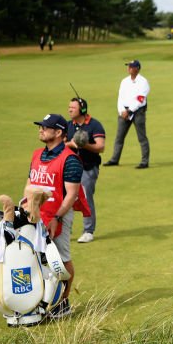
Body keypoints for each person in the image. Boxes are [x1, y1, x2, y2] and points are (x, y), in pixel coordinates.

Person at [26, 113, 90, 319]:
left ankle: (63, 303)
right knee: (36, 259)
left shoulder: (70, 160)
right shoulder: (37, 154)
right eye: (40, 127)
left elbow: (71, 195)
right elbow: (29, 185)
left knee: (61, 259)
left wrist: (57, 218)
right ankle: (41, 300)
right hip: (35, 215)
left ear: (59, 132)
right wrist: (25, 208)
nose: (41, 130)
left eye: (45, 127)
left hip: (59, 215)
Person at [67, 96, 105, 243]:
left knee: (85, 198)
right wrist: (72, 144)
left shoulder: (95, 125)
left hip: (88, 167)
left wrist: (85, 145)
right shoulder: (68, 125)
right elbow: (60, 145)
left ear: (82, 110)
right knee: (66, 198)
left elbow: (100, 147)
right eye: (69, 107)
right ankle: (65, 229)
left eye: (73, 107)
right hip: (70, 168)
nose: (70, 109)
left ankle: (88, 231)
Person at [104, 60, 150, 169]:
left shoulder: (143, 82)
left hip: (138, 112)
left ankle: (145, 161)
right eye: (128, 66)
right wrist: (121, 111)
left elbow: (140, 99)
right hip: (124, 113)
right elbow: (120, 97)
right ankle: (115, 159)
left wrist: (129, 111)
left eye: (131, 66)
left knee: (142, 137)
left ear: (137, 68)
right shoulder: (124, 81)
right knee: (119, 137)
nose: (128, 68)